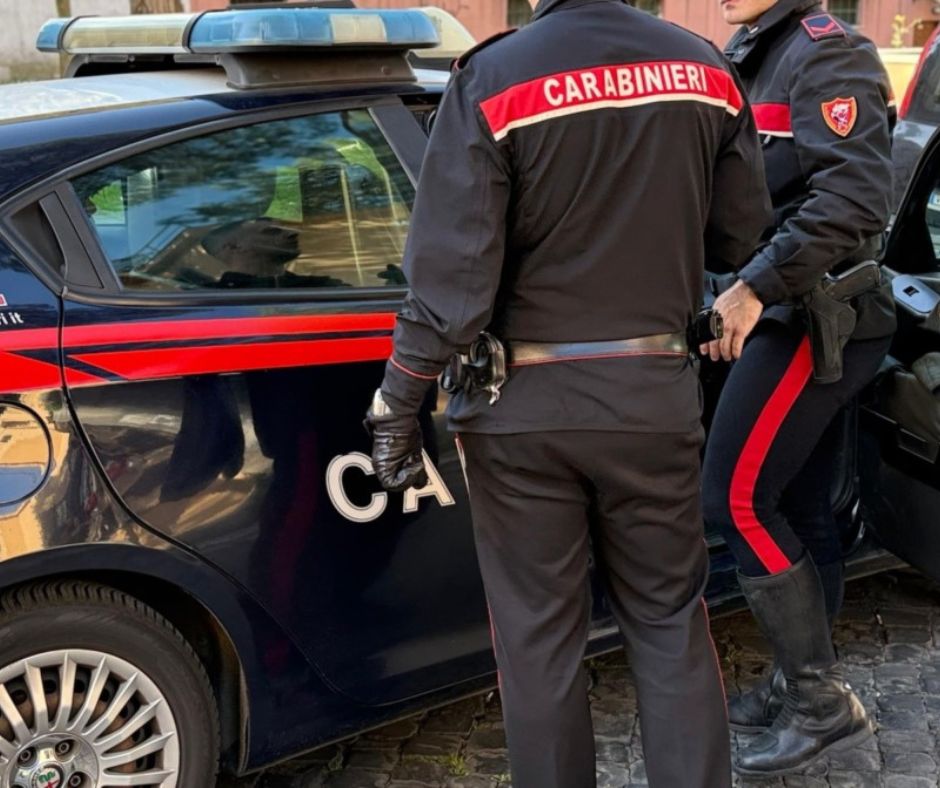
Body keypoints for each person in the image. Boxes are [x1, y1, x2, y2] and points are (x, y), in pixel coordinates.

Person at [365, 0, 771, 785]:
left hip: (519, 412)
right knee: (669, 624)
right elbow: (737, 233)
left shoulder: (493, 77)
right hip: (651, 398)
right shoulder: (706, 69)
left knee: (538, 643)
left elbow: (452, 285)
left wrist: (399, 399)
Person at [701, 0, 897, 776]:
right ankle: (797, 683)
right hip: (783, 310)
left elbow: (854, 201)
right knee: (802, 502)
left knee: (737, 499)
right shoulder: (754, 52)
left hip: (817, 316)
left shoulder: (828, 53)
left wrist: (753, 285)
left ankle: (822, 705)